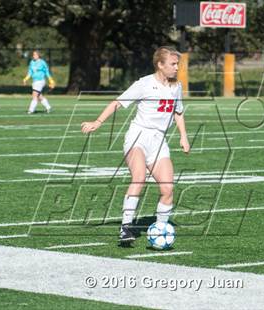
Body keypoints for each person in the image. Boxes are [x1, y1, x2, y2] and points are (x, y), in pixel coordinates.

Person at [81, 46, 190, 244]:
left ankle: (161, 228)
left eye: (177, 64)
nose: (176, 68)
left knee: (167, 189)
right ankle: (126, 227)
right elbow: (117, 103)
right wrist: (97, 122)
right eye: (173, 64)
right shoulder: (144, 84)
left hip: (159, 141)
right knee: (138, 178)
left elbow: (178, 112)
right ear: (160, 64)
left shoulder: (177, 86)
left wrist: (183, 136)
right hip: (138, 136)